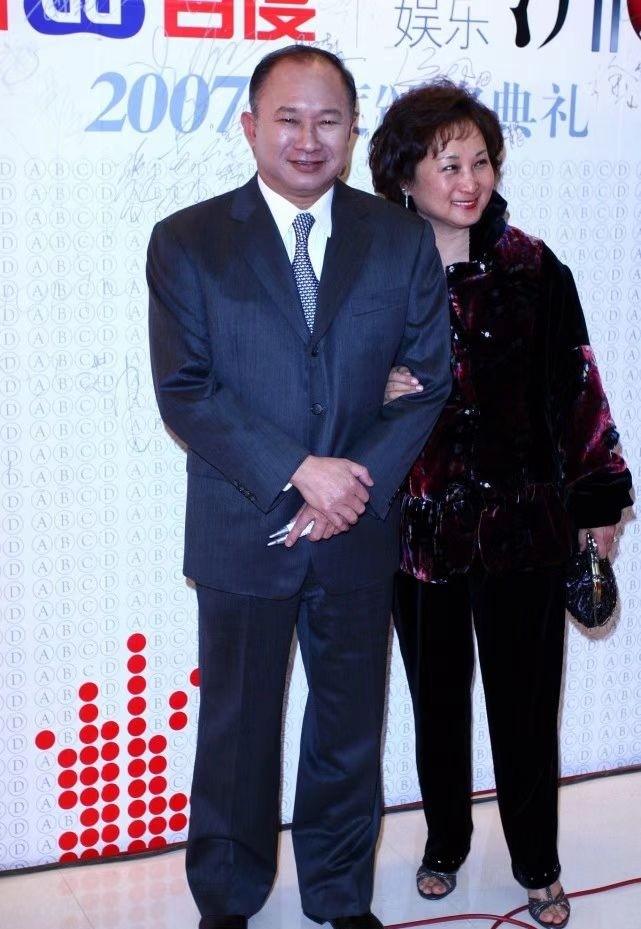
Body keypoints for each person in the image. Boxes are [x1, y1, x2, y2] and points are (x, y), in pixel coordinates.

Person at [147, 46, 452, 929]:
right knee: (237, 729)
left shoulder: (399, 239)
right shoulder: (188, 240)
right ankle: (226, 898)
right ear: (251, 127)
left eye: (328, 120)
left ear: (352, 132)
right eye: (288, 118)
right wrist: (301, 470)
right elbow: (186, 390)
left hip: (357, 527)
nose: (308, 138)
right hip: (243, 524)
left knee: (348, 730)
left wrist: (350, 486)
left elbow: (426, 380)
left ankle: (339, 895)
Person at [369, 79, 633, 929]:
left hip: (524, 527)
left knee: (525, 707)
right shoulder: (373, 273)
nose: (469, 180)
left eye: (480, 161)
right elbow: (325, 391)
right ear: (403, 176)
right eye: (447, 164)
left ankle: (536, 862)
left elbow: (576, 389)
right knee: (435, 702)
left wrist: (599, 501)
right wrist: (374, 389)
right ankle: (444, 840)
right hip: (418, 532)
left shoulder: (532, 267)